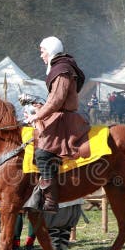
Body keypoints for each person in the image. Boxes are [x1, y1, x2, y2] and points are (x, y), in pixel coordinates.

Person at [24, 36, 89, 213]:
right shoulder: (60, 67)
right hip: (59, 116)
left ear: (51, 50)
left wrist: (36, 115)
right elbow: (54, 101)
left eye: (42, 51)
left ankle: (51, 201)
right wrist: (40, 108)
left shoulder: (62, 69)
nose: (41, 55)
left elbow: (56, 100)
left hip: (64, 121)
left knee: (43, 153)